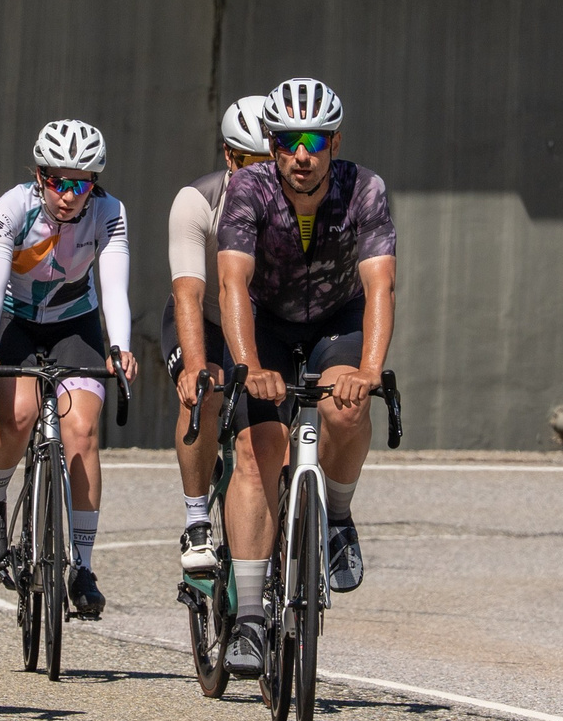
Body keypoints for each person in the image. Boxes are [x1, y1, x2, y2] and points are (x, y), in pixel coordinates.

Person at [216, 77, 395, 666]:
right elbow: (232, 283)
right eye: (290, 140)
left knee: (346, 407)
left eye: (315, 140)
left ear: (334, 143)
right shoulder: (247, 189)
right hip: (264, 320)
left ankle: (337, 514)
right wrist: (247, 367)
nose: (302, 154)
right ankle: (246, 618)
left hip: (334, 318)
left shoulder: (365, 189)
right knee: (257, 447)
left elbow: (379, 285)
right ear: (272, 145)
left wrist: (369, 370)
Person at [0, 118, 136, 619]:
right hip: (19, 322)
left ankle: (82, 565)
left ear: (94, 185)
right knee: (17, 419)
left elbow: (115, 289)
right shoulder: (11, 208)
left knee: (80, 429)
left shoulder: (108, 212)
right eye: (59, 181)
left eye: (80, 184)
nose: (68, 195)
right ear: (40, 176)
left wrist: (120, 346)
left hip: (75, 325)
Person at [164, 94, 271, 668]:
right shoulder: (196, 202)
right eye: (252, 164)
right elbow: (190, 292)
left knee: (264, 436)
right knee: (201, 390)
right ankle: (198, 519)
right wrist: (195, 365)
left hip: (257, 323)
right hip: (203, 319)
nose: (268, 175)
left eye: (272, 161)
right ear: (230, 159)